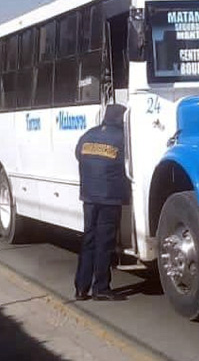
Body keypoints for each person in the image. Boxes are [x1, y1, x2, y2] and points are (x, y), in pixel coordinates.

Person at [73, 104, 130, 301]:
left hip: (88, 197)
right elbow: (130, 164)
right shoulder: (123, 138)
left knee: (88, 241)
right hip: (109, 197)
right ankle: (101, 288)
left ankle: (81, 288)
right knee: (104, 243)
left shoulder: (89, 134)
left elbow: (78, 154)